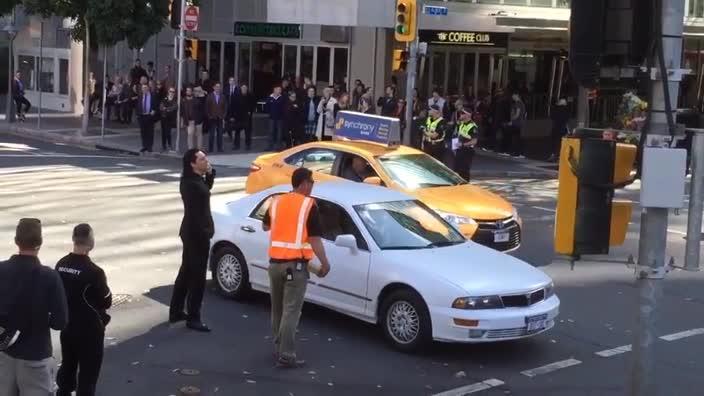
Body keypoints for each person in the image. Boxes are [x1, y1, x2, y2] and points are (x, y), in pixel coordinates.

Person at [262, 168, 331, 368]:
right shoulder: (309, 205)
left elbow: (266, 226)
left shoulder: (277, 202)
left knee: (277, 309)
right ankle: (287, 355)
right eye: (312, 182)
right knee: (291, 311)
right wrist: (324, 262)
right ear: (303, 183)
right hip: (296, 268)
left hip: (274, 264)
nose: (312, 186)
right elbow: (314, 238)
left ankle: (278, 347)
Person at [0, 218, 68, 396]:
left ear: (16, 241)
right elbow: (60, 322)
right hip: (35, 355)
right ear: (40, 243)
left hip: (4, 353)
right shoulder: (49, 277)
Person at [55, 224, 112, 396]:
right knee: (88, 376)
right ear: (90, 241)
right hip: (89, 330)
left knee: (67, 367)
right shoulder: (94, 272)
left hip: (68, 326)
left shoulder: (61, 264)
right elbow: (106, 300)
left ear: (73, 239)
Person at [169, 149, 216, 332]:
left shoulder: (196, 181)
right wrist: (206, 231)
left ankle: (176, 311)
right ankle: (193, 317)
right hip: (195, 234)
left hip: (193, 232)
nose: (207, 161)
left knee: (187, 271)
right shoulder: (190, 184)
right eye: (203, 159)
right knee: (197, 277)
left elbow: (206, 190)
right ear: (193, 164)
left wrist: (210, 175)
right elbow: (197, 211)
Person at [453, 107, 479, 181]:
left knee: (464, 171)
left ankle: (466, 186)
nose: (460, 115)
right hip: (459, 150)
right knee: (457, 170)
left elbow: (474, 141)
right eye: (461, 113)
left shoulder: (473, 126)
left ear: (468, 115)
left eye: (463, 113)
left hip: (467, 151)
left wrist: (463, 145)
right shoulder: (461, 124)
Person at [229, 84, 256, 151]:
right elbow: (232, 106)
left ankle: (248, 145)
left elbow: (253, 105)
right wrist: (232, 116)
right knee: (237, 132)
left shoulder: (250, 95)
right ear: (241, 89)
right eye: (243, 88)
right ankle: (236, 145)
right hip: (238, 117)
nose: (244, 90)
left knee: (247, 132)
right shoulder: (236, 96)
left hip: (247, 117)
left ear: (247, 89)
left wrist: (250, 111)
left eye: (245, 88)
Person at [206, 82, 227, 153]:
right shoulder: (210, 96)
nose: (218, 88)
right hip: (212, 118)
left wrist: (223, 116)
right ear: (214, 87)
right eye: (217, 87)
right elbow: (207, 107)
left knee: (220, 134)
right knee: (211, 134)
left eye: (219, 87)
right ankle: (210, 148)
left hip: (220, 118)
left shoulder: (223, 96)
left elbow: (225, 107)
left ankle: (219, 148)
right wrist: (209, 116)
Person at [137, 83, 157, 154]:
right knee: (143, 132)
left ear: (148, 88)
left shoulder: (152, 96)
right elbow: (138, 106)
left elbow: (156, 105)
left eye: (145, 88)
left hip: (149, 116)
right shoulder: (140, 96)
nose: (144, 89)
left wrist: (154, 110)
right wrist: (138, 115)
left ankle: (149, 146)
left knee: (150, 132)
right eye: (143, 88)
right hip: (142, 116)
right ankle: (144, 146)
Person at [507, 93, 526, 158]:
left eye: (513, 96)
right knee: (517, 137)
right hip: (519, 123)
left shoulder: (518, 103)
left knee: (516, 138)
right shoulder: (521, 103)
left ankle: (517, 153)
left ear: (517, 96)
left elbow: (517, 114)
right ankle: (519, 153)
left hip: (517, 123)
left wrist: (511, 121)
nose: (512, 97)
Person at [266, 86, 286, 151]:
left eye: (280, 90)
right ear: (274, 90)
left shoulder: (282, 98)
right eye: (278, 90)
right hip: (271, 118)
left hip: (280, 118)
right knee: (271, 132)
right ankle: (270, 146)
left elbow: (284, 108)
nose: (280, 91)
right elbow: (267, 106)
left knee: (279, 133)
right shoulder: (270, 98)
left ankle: (278, 147)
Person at [160, 87, 178, 152]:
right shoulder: (165, 98)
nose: (171, 93)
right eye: (170, 91)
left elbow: (175, 107)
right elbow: (161, 107)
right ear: (168, 91)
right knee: (163, 132)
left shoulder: (175, 99)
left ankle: (169, 144)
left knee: (168, 132)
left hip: (170, 118)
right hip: (164, 117)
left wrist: (167, 108)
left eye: (173, 92)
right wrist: (167, 109)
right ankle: (163, 145)